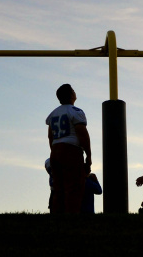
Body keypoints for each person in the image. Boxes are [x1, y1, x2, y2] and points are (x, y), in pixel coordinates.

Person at [46, 83, 91, 214]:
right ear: (71, 94)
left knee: (58, 188)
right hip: (71, 150)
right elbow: (82, 134)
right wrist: (88, 155)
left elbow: (50, 136)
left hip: (55, 150)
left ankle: (57, 218)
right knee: (74, 187)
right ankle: (71, 219)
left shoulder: (53, 113)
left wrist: (54, 151)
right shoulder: (76, 112)